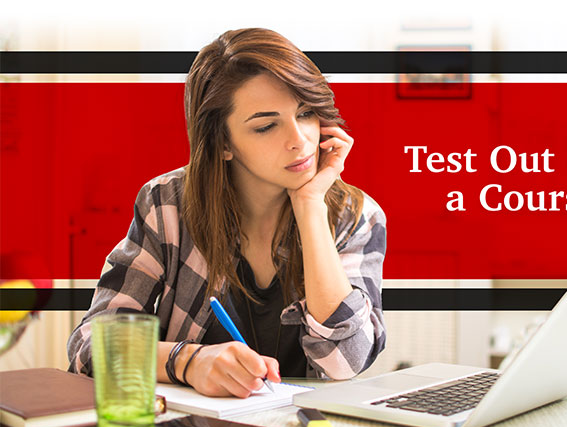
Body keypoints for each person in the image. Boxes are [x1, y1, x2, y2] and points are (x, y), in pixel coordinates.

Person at [67, 28, 387, 398]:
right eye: (266, 126)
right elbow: (89, 347)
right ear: (222, 143)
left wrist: (310, 204)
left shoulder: (355, 215)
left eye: (306, 113)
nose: (299, 139)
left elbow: (346, 362)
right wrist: (189, 362)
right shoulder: (167, 204)